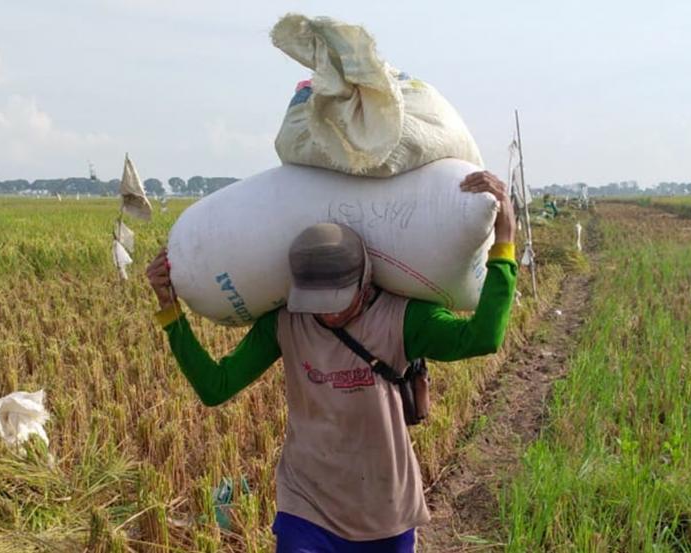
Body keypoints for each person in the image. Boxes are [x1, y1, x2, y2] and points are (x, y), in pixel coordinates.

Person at [146, 171, 517, 553]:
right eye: (317, 304)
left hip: (386, 510)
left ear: (365, 280)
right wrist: (170, 314)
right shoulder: (286, 323)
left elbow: (483, 338)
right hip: (306, 506)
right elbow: (215, 387)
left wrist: (503, 245)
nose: (328, 315)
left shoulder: (402, 319)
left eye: (338, 302)